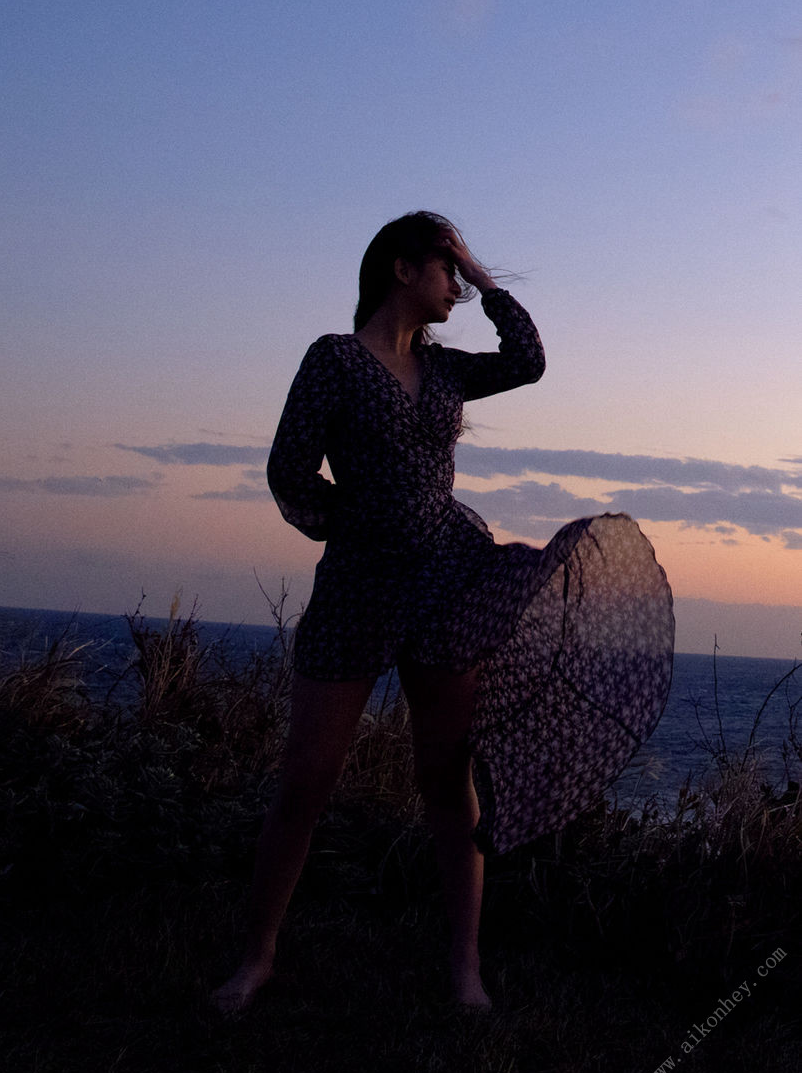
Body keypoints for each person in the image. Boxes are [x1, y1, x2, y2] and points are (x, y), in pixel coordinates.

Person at [211, 211, 673, 1017]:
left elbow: (528, 361)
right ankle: (255, 958)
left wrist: (483, 273)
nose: (456, 284)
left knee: (444, 779)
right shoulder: (333, 363)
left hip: (447, 579)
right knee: (306, 780)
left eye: (461, 272)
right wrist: (349, 526)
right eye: (445, 268)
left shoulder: (446, 371)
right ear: (400, 270)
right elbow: (288, 472)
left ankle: (463, 970)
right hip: (359, 583)